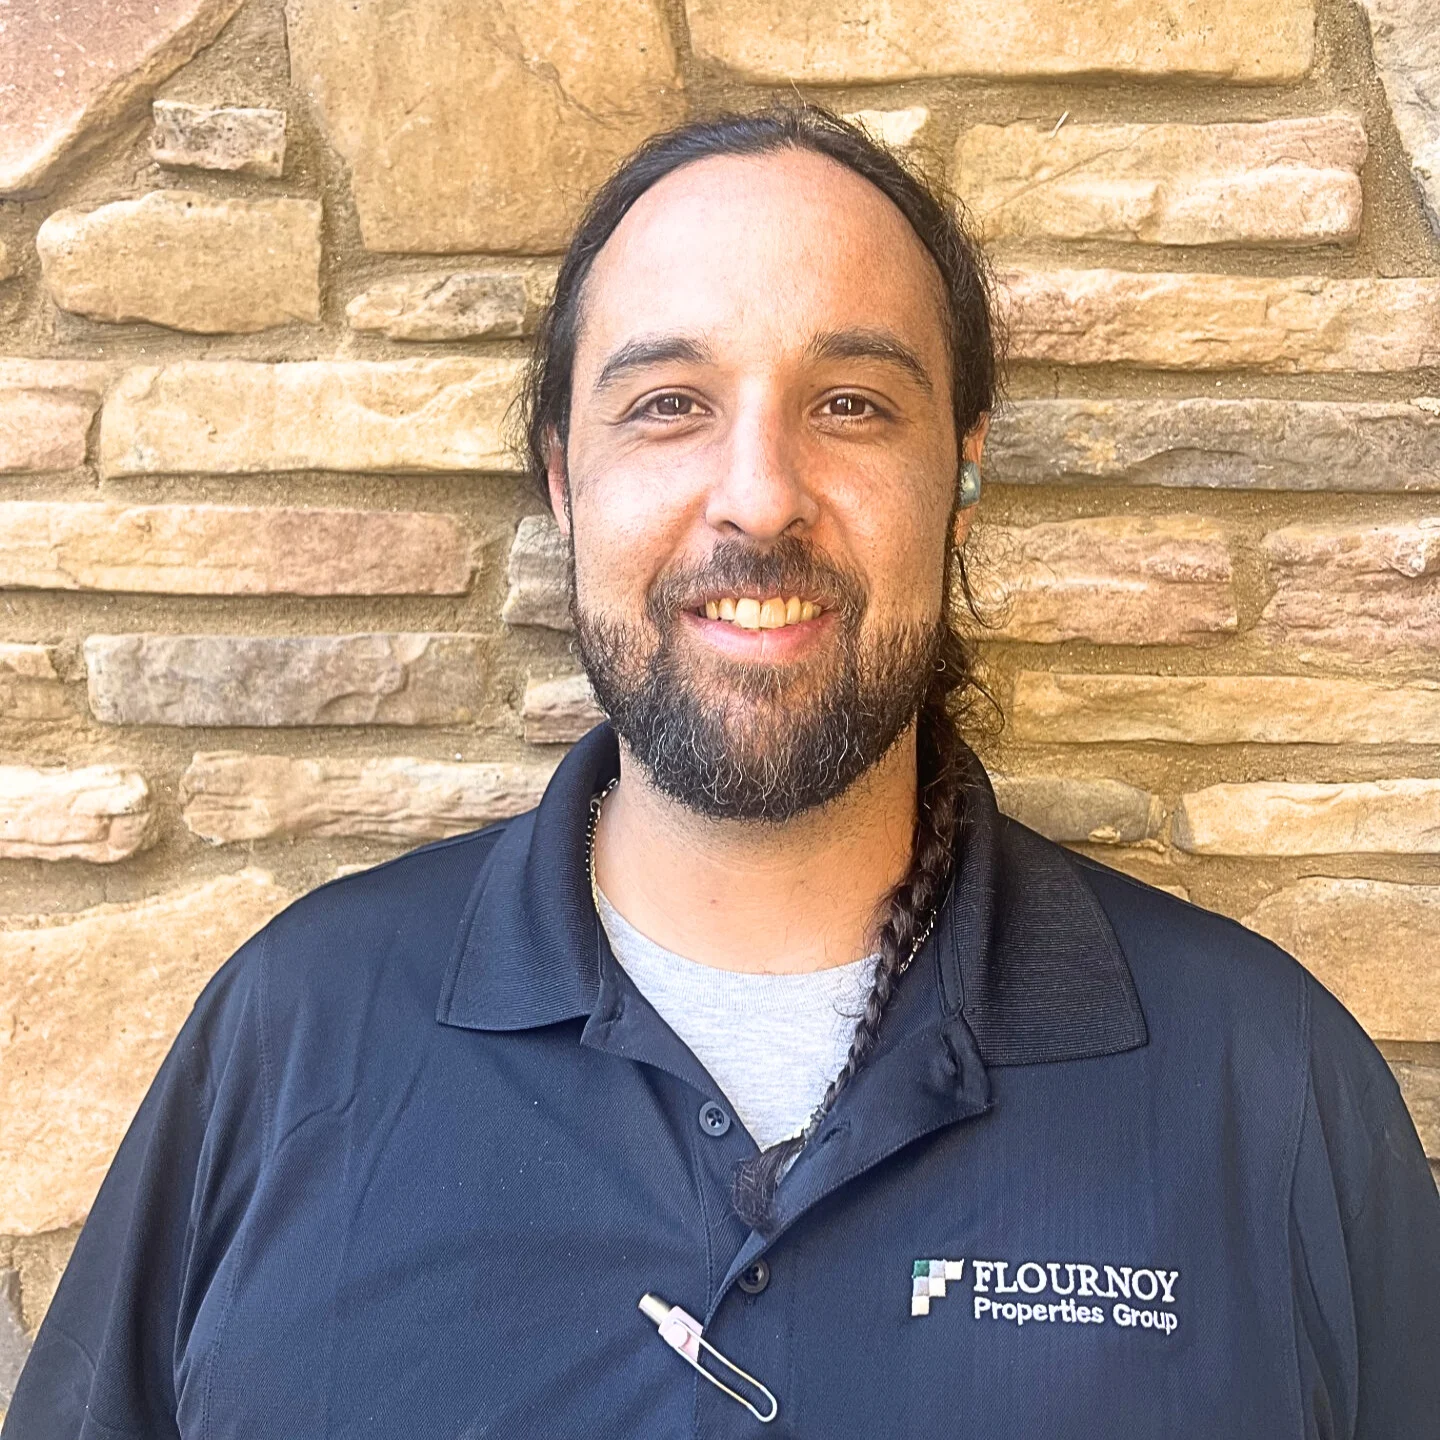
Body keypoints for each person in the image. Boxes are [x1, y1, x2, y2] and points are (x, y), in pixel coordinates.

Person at [6, 105, 1438, 1439]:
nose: (758, 494)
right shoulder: (294, 1038)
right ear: (564, 476)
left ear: (965, 466)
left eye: (855, 404)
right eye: (669, 403)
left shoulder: (1270, 1087)